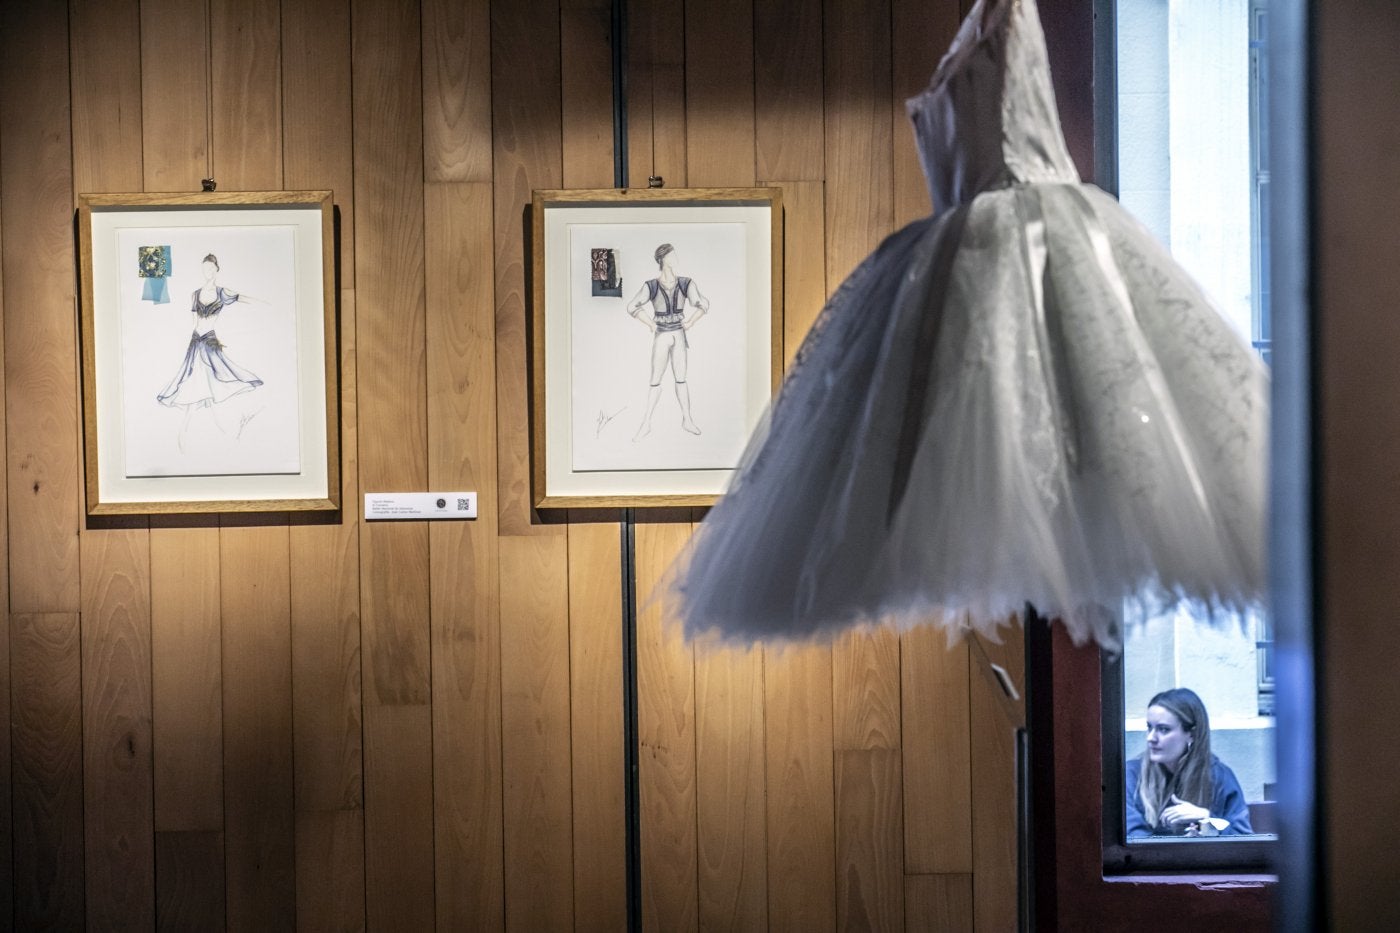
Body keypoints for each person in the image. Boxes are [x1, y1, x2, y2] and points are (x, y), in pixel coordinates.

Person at [673, 0, 1267, 649]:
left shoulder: (1012, 13)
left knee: (1064, 429)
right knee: (970, 442)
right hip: (964, 254)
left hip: (1030, 238)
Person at [1125, 687, 1253, 837]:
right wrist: (1181, 847)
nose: (1151, 738)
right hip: (1152, 854)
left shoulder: (1218, 776)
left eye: (1163, 729)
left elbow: (1243, 838)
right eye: (1149, 727)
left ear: (1192, 734)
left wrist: (1207, 820)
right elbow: (1130, 837)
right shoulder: (1131, 775)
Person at [626, 243, 709, 439]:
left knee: (681, 379)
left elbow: (703, 303)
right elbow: (631, 306)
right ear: (662, 259)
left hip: (679, 333)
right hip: (662, 335)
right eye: (671, 255)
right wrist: (650, 323)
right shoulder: (651, 286)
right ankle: (646, 423)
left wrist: (691, 321)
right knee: (655, 380)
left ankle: (687, 419)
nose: (675, 258)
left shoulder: (686, 283)